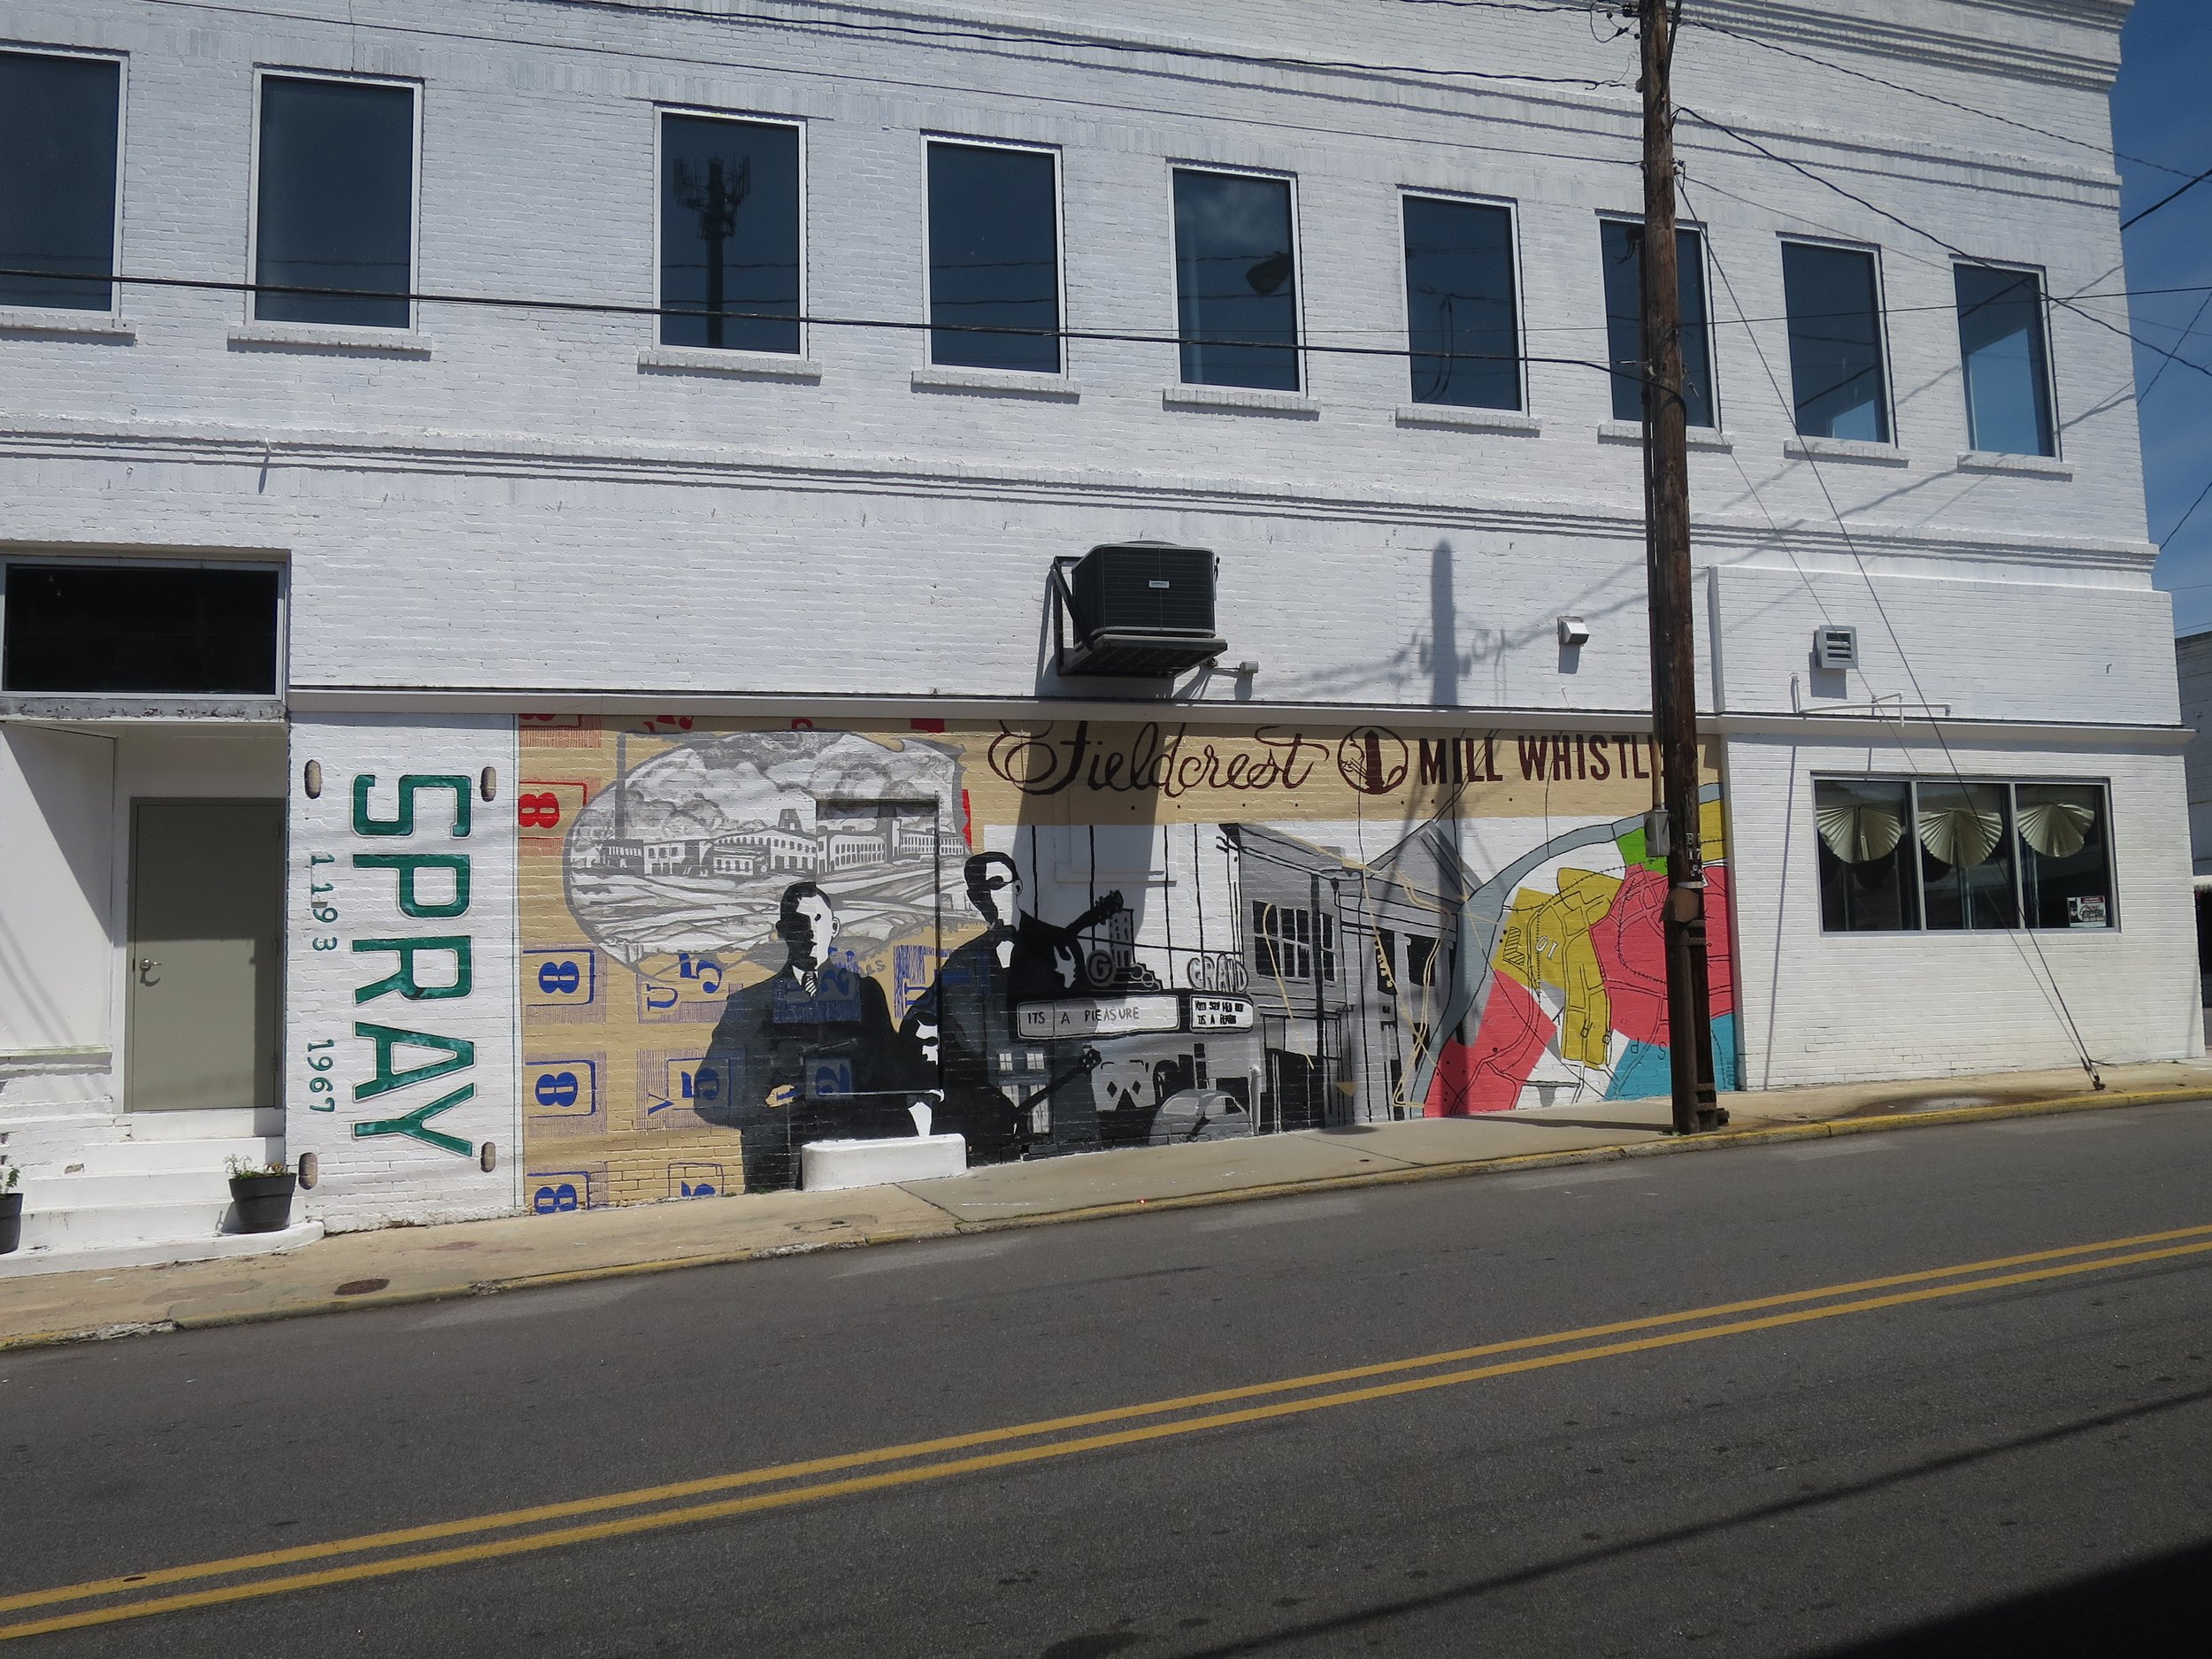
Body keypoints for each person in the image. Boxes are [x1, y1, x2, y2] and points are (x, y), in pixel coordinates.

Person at [902, 853, 1125, 1157]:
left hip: (1062, 1110)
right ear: (973, 898)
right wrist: (924, 1030)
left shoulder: (1061, 949)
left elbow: (1088, 1020)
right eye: (980, 890)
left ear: (1017, 887)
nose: (989, 896)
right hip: (996, 1121)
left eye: (997, 884)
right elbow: (925, 1015)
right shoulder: (964, 961)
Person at [696, 882, 902, 1191]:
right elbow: (710, 1092)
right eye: (798, 923)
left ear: (833, 927)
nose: (809, 932)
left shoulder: (865, 994)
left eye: (817, 920)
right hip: (779, 1161)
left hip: (854, 1152)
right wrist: (764, 1105)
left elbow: (890, 1075)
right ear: (781, 930)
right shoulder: (751, 1003)